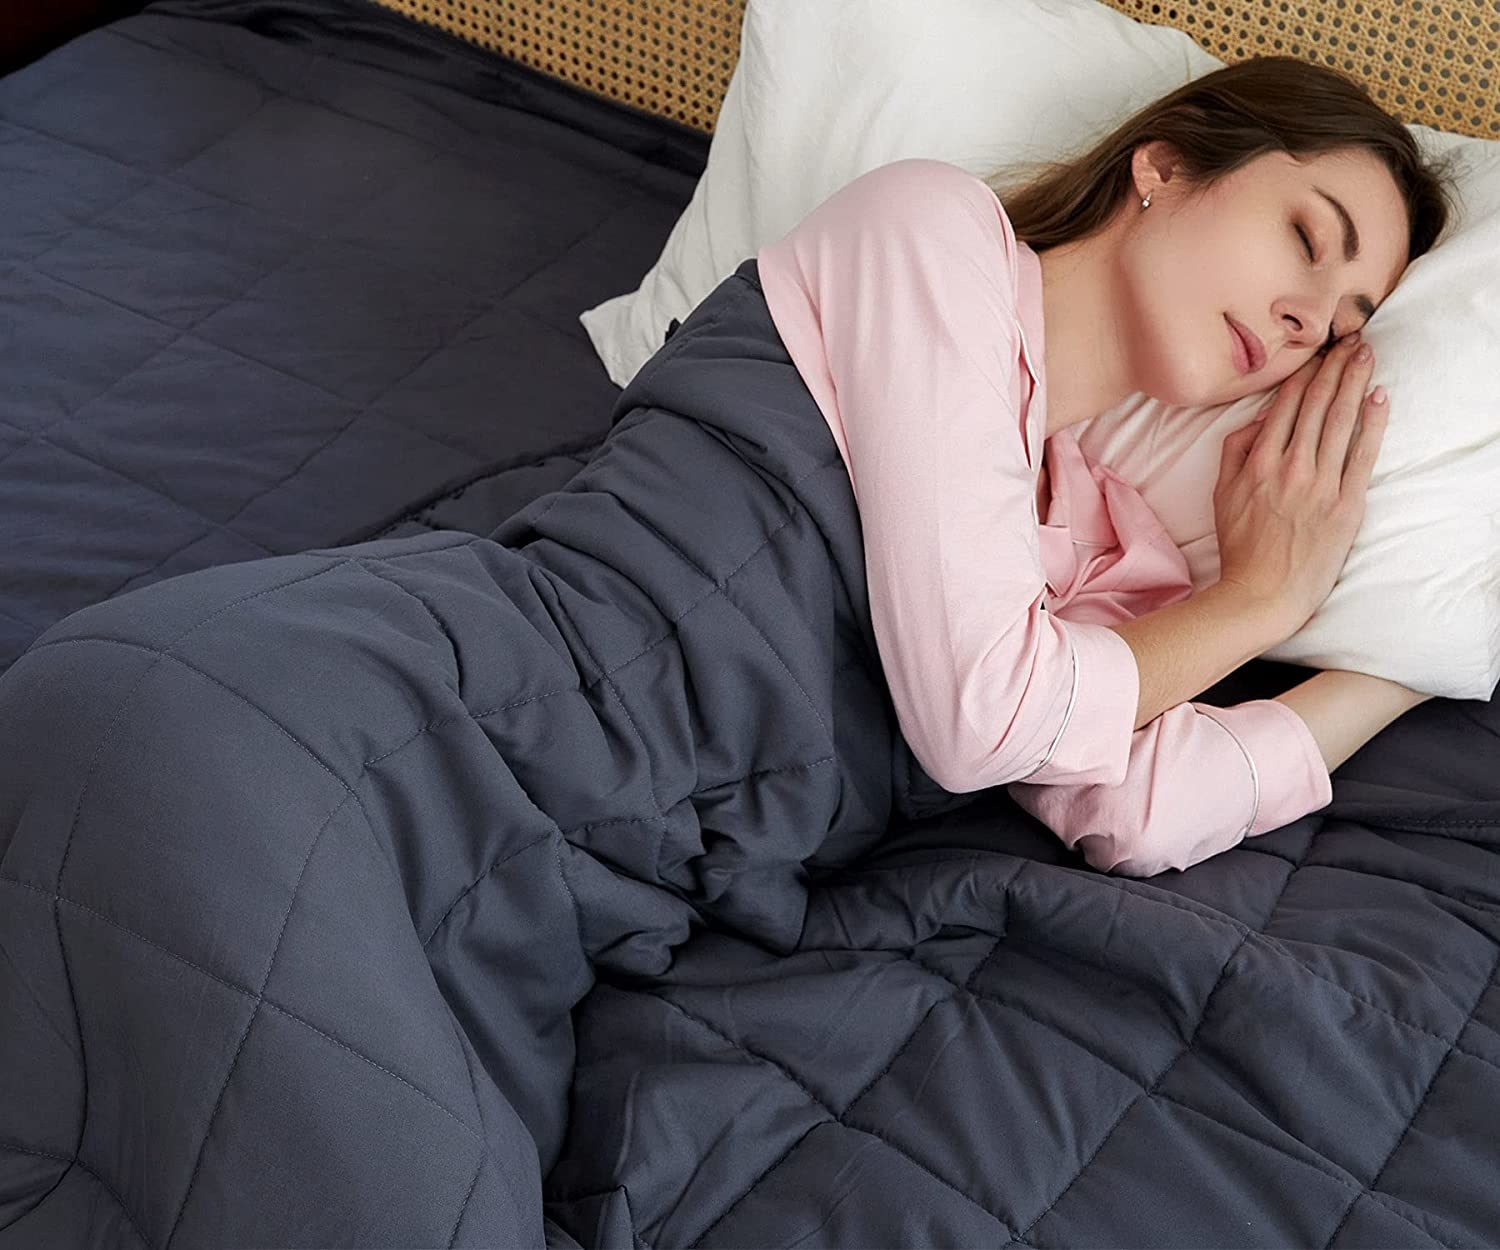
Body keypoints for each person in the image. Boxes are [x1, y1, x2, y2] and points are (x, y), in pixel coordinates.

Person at [754, 55, 1458, 876]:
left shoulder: (1116, 552)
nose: (1306, 319)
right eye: (1305, 238)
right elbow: (979, 724)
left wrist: (1407, 669)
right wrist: (1263, 599)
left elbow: (1142, 817)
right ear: (1166, 164)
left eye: (1341, 328)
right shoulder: (930, 229)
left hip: (661, 875)